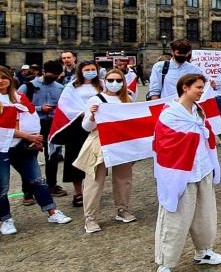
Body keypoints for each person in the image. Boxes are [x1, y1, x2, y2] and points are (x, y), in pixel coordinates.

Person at [153, 74, 221, 272]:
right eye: (199, 87)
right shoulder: (170, 113)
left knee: (205, 215)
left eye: (202, 88)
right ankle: (165, 262)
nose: (202, 91)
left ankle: (203, 251)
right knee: (175, 218)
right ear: (185, 87)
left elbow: (206, 134)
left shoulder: (197, 110)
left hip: (202, 169)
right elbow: (164, 142)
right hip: (181, 173)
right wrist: (194, 134)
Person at [0, 66, 73, 235]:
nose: (1, 80)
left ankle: (52, 211)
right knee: (2, 188)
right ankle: (5, 219)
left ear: (10, 79)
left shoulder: (19, 97)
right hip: (2, 147)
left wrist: (36, 137)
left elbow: (32, 118)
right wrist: (29, 136)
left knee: (37, 180)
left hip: (22, 145)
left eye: (4, 77)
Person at [75, 69, 136, 233]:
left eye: (118, 80)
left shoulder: (127, 99)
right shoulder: (95, 99)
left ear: (123, 81)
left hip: (121, 143)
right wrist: (92, 117)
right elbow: (86, 127)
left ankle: (122, 209)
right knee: (94, 182)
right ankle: (90, 218)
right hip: (100, 141)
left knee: (124, 179)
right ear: (105, 81)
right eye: (111, 79)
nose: (114, 83)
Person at [56, 60, 103, 208]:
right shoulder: (72, 86)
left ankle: (92, 191)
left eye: (92, 69)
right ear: (81, 71)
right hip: (77, 125)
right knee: (75, 158)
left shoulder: (102, 85)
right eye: (87, 69)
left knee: (95, 159)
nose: (90, 71)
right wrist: (81, 112)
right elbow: (65, 104)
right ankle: (78, 193)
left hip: (97, 125)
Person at [19, 60, 67, 204]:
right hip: (33, 126)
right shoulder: (27, 87)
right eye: (51, 75)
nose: (53, 78)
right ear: (43, 72)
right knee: (29, 158)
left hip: (53, 125)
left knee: (52, 157)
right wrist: (40, 108)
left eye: (56, 76)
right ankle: (27, 192)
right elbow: (18, 107)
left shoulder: (60, 87)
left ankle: (52, 185)